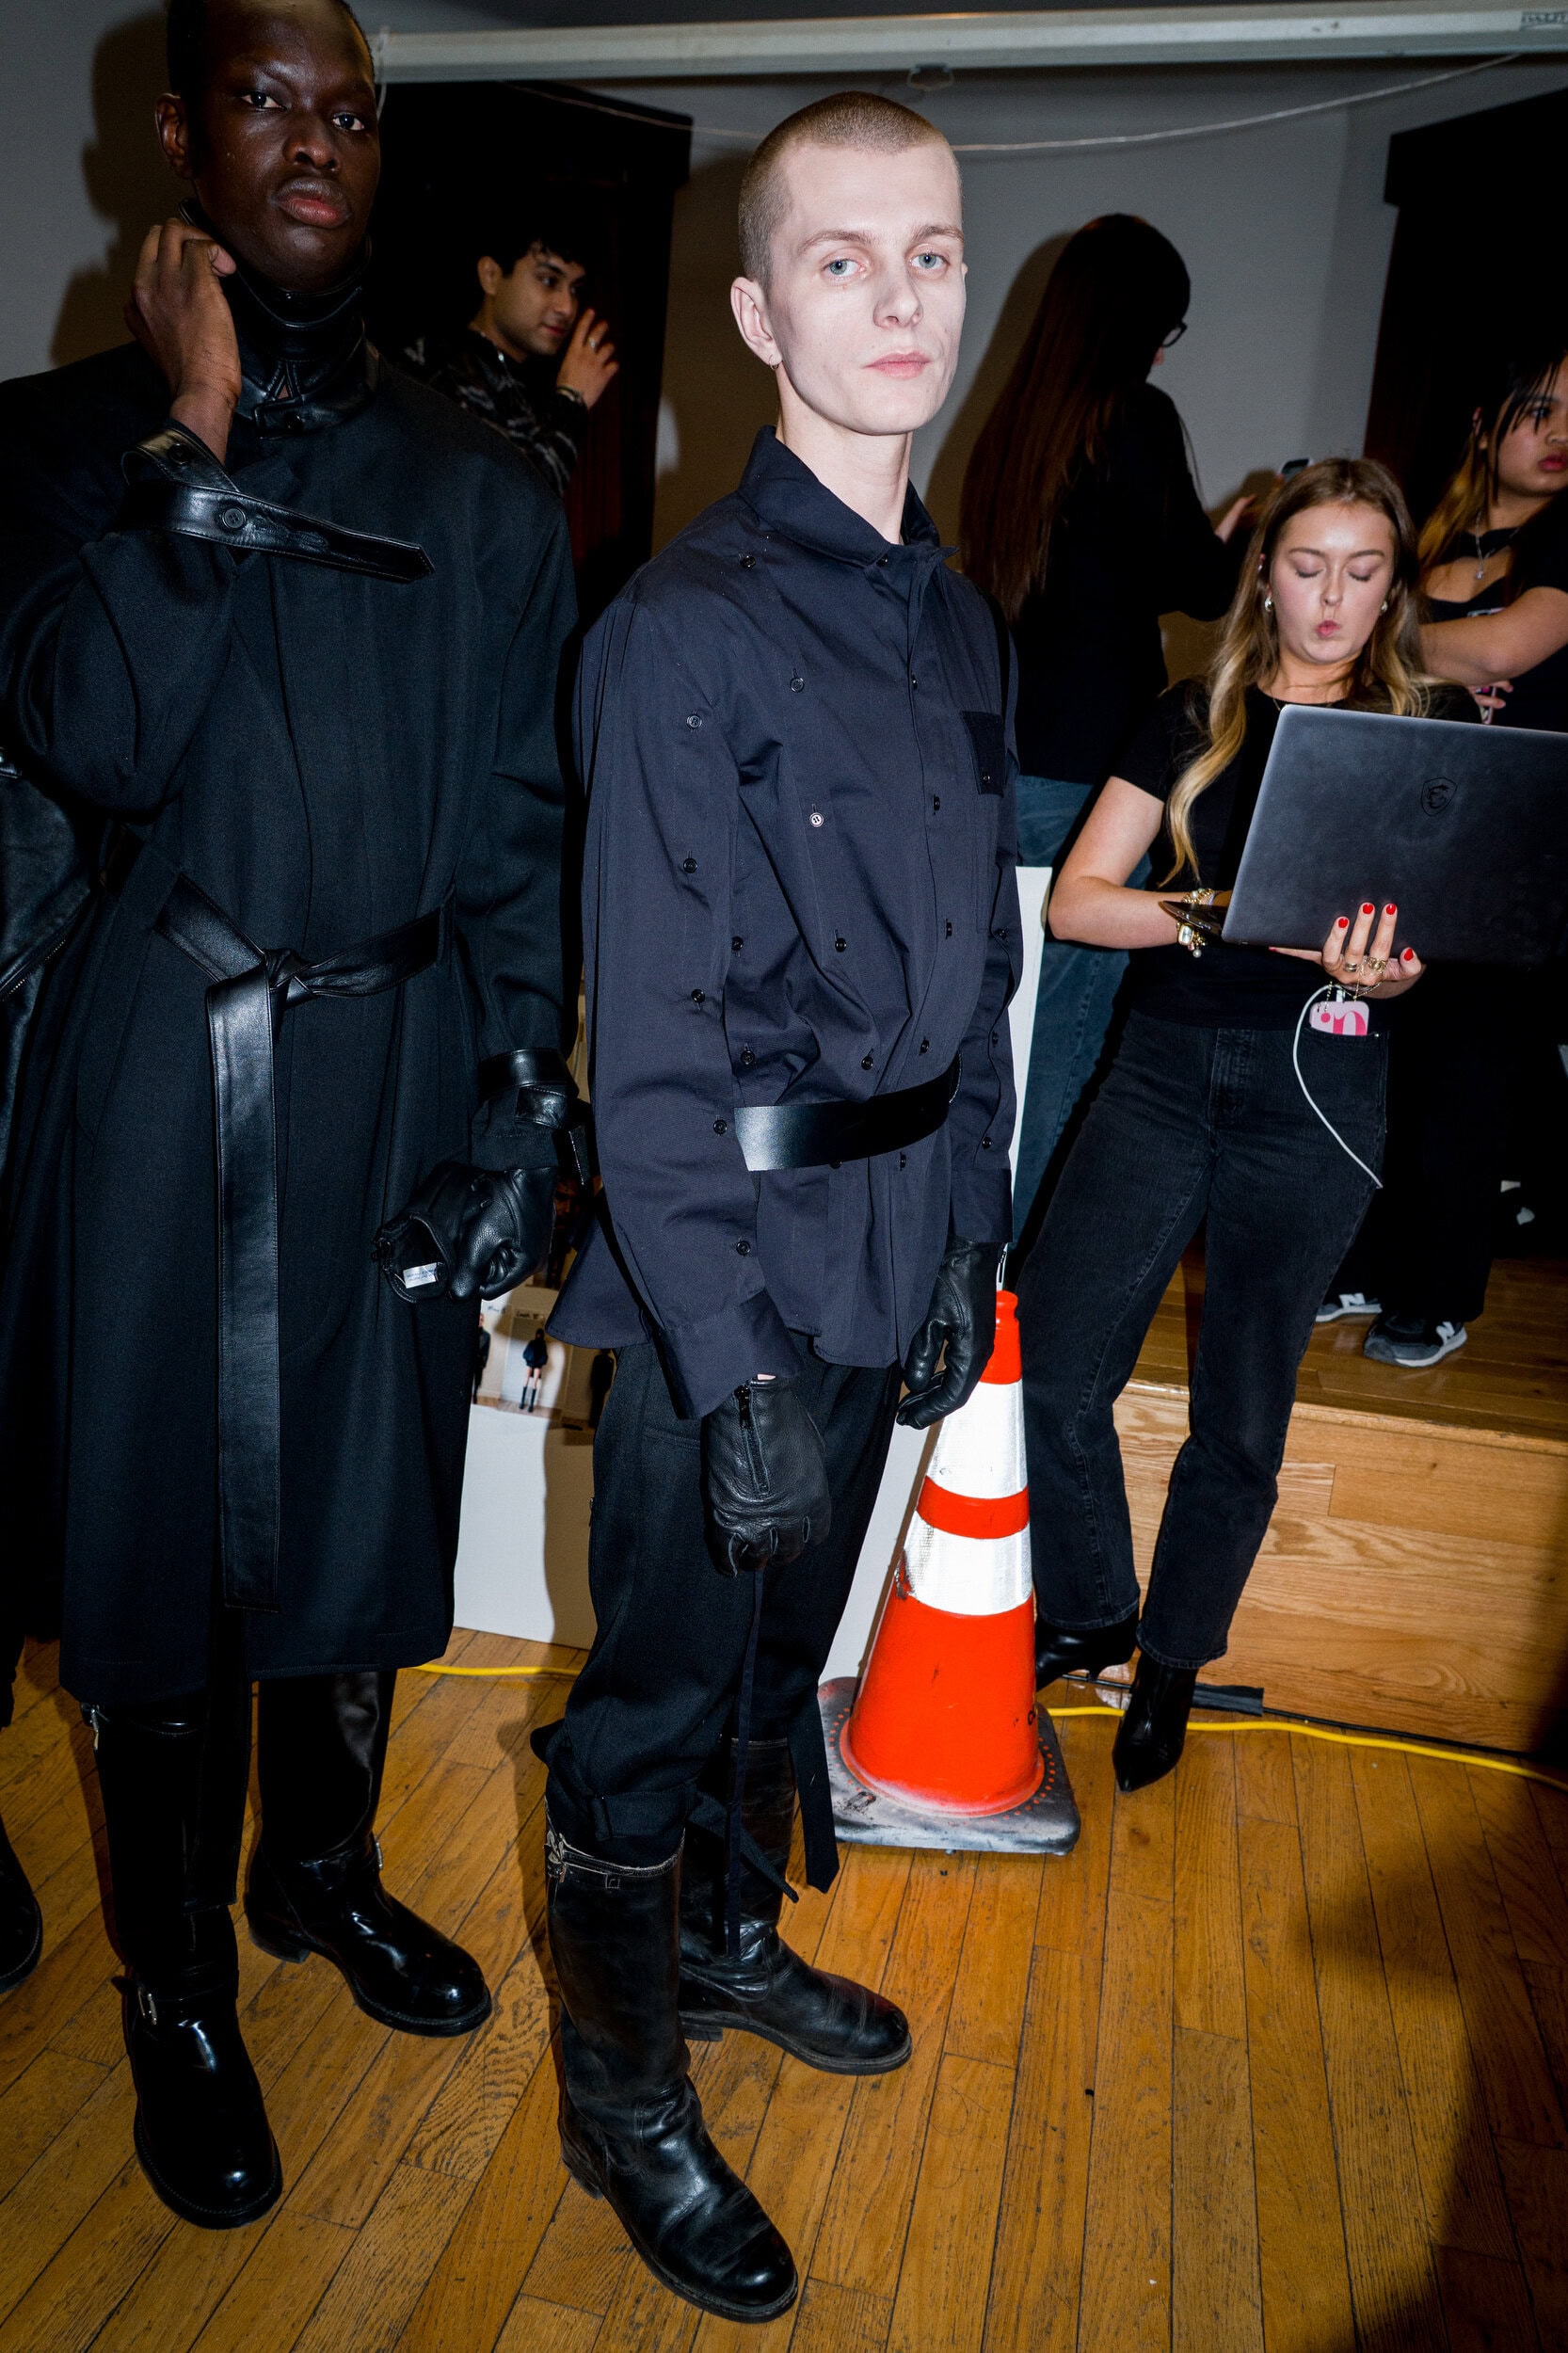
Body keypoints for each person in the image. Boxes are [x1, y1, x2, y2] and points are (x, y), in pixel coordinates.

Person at [0, 0, 577, 2229]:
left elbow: (525, 811)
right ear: (178, 131)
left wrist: (530, 1081)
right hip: (168, 1077)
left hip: (405, 1059)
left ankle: (318, 1878)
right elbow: (98, 740)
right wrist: (205, 438)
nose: (316, 142)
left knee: (361, 1510)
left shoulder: (485, 475)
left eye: (351, 109)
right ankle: (172, 1993)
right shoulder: (57, 441)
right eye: (267, 100)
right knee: (160, 1559)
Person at [542, 91, 1019, 2324]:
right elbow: (641, 1053)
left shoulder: (959, 620)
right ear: (756, 311)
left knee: (774, 1667)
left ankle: (727, 1945)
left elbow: (981, 974)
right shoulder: (679, 635)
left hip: (887, 1243)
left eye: (931, 251)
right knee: (647, 1704)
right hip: (711, 1271)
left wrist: (970, 1239)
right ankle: (618, 2088)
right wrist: (727, 1363)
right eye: (845, 258)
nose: (900, 294)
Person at [1016, 459, 1478, 1793]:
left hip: (1318, 1091)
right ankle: (1092, 1611)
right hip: (1157, 1070)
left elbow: (1436, 931)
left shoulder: (1422, 728)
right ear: (1260, 571)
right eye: (1303, 565)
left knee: (1241, 1408)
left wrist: (1396, 972)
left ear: (1390, 584)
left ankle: (1170, 1661)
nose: (1329, 598)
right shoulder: (1191, 711)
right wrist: (1223, 912)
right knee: (1053, 1366)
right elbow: (1075, 903)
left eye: (1361, 569)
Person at [959, 215, 1251, 1238]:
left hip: (1005, 760)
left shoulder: (1015, 426)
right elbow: (1202, 588)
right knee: (1067, 1045)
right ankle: (1022, 1283)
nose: (1165, 348)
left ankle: (968, 1259)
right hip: (1094, 774)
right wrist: (1248, 524)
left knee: (991, 1030)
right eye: (1164, 324)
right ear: (1136, 322)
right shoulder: (1132, 415)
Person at [1325, 345, 1568, 1366]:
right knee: (1382, 1056)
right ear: (1486, 421)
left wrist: (1403, 638)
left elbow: (1508, 650)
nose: (1557, 433)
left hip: (1522, 838)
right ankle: (1362, 1262)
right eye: (1537, 410)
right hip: (1416, 822)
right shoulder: (1425, 527)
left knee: (1468, 1061)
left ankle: (1429, 1294)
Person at [402, 210, 618, 496]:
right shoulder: (437, 369)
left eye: (575, 289)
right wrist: (570, 401)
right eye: (549, 280)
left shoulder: (521, 379)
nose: (566, 307)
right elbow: (507, 513)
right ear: (491, 275)